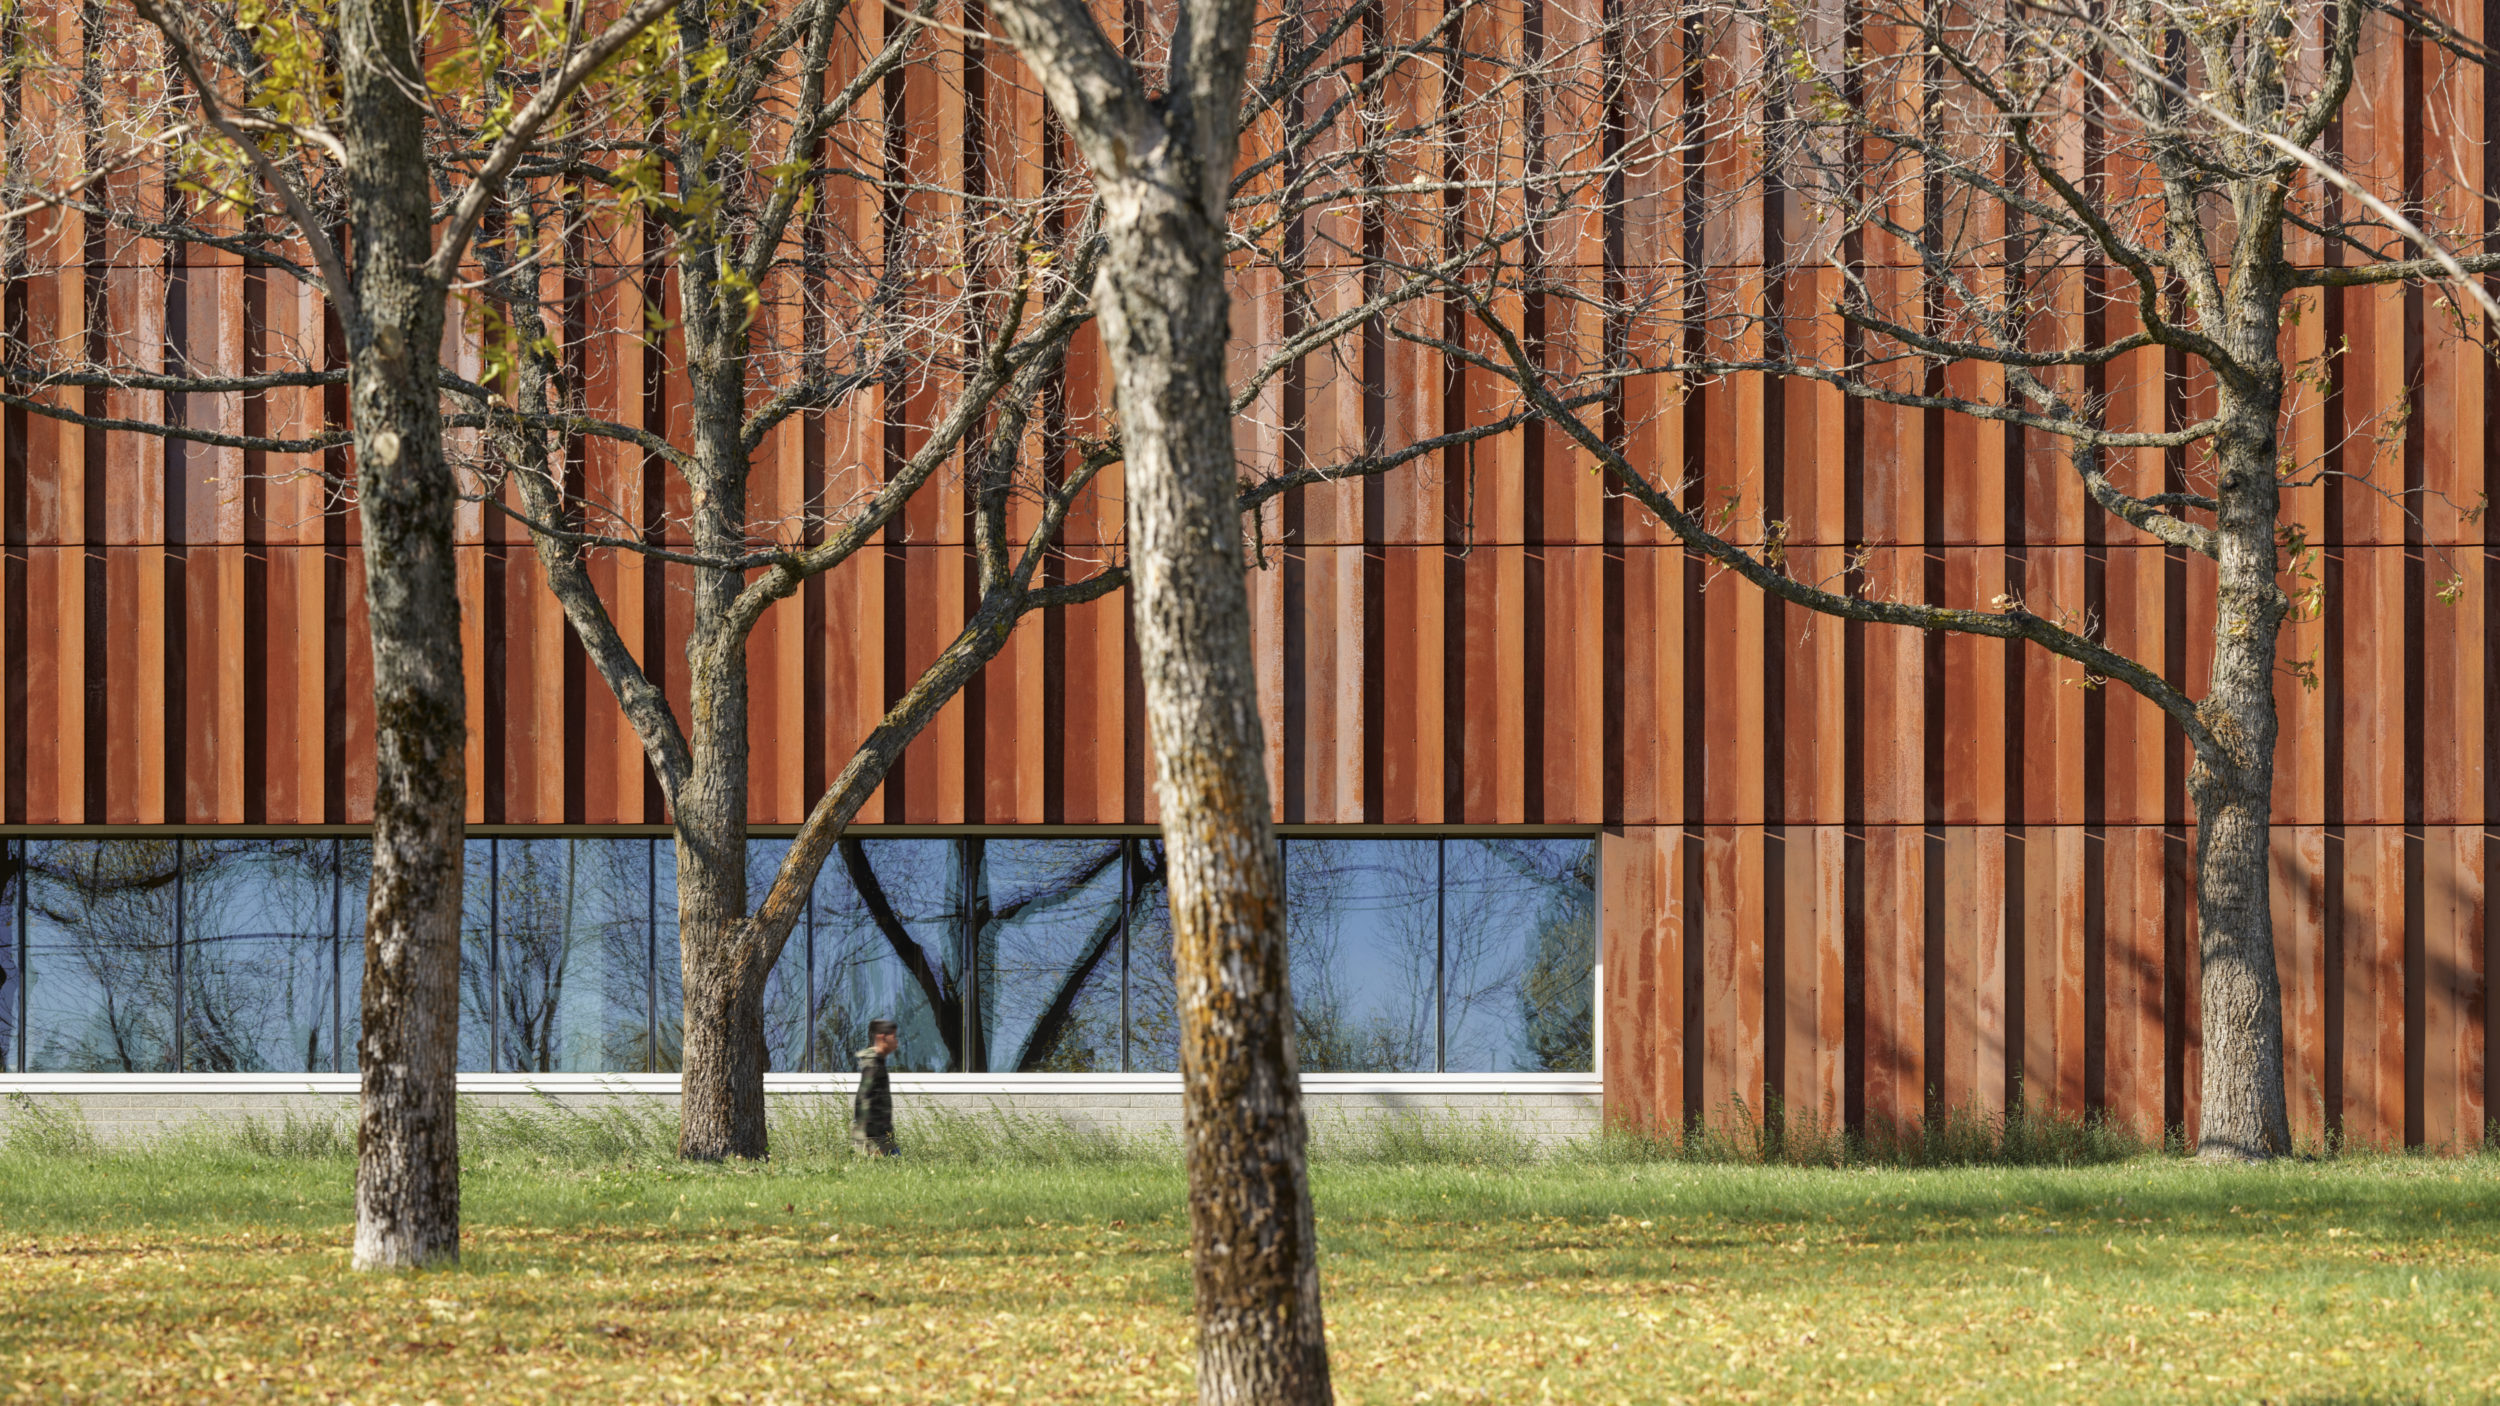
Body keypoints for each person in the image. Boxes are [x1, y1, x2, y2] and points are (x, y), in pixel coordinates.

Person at [851, 1019, 899, 1157]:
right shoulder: (873, 1064)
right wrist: (868, 1136)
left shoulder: (878, 1061)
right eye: (894, 1036)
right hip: (875, 1136)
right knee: (895, 1165)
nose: (896, 1041)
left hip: (882, 1132)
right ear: (882, 1037)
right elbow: (864, 1097)